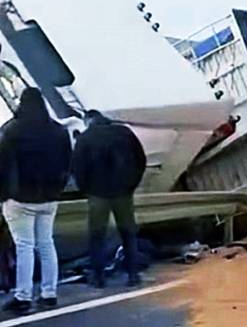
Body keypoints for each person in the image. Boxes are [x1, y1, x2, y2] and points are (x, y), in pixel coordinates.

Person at [0, 88, 71, 313]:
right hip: (49, 198)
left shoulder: (10, 131)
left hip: (20, 198)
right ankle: (49, 293)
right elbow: (68, 163)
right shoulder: (59, 131)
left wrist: (3, 196)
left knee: (24, 247)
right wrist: (58, 189)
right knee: (46, 244)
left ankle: (23, 296)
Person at [72, 110, 146, 288]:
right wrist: (132, 184)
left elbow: (77, 168)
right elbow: (140, 160)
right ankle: (133, 274)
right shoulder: (124, 132)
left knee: (97, 236)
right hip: (123, 192)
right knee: (128, 233)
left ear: (88, 120)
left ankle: (98, 277)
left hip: (98, 194)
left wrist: (86, 190)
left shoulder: (85, 138)